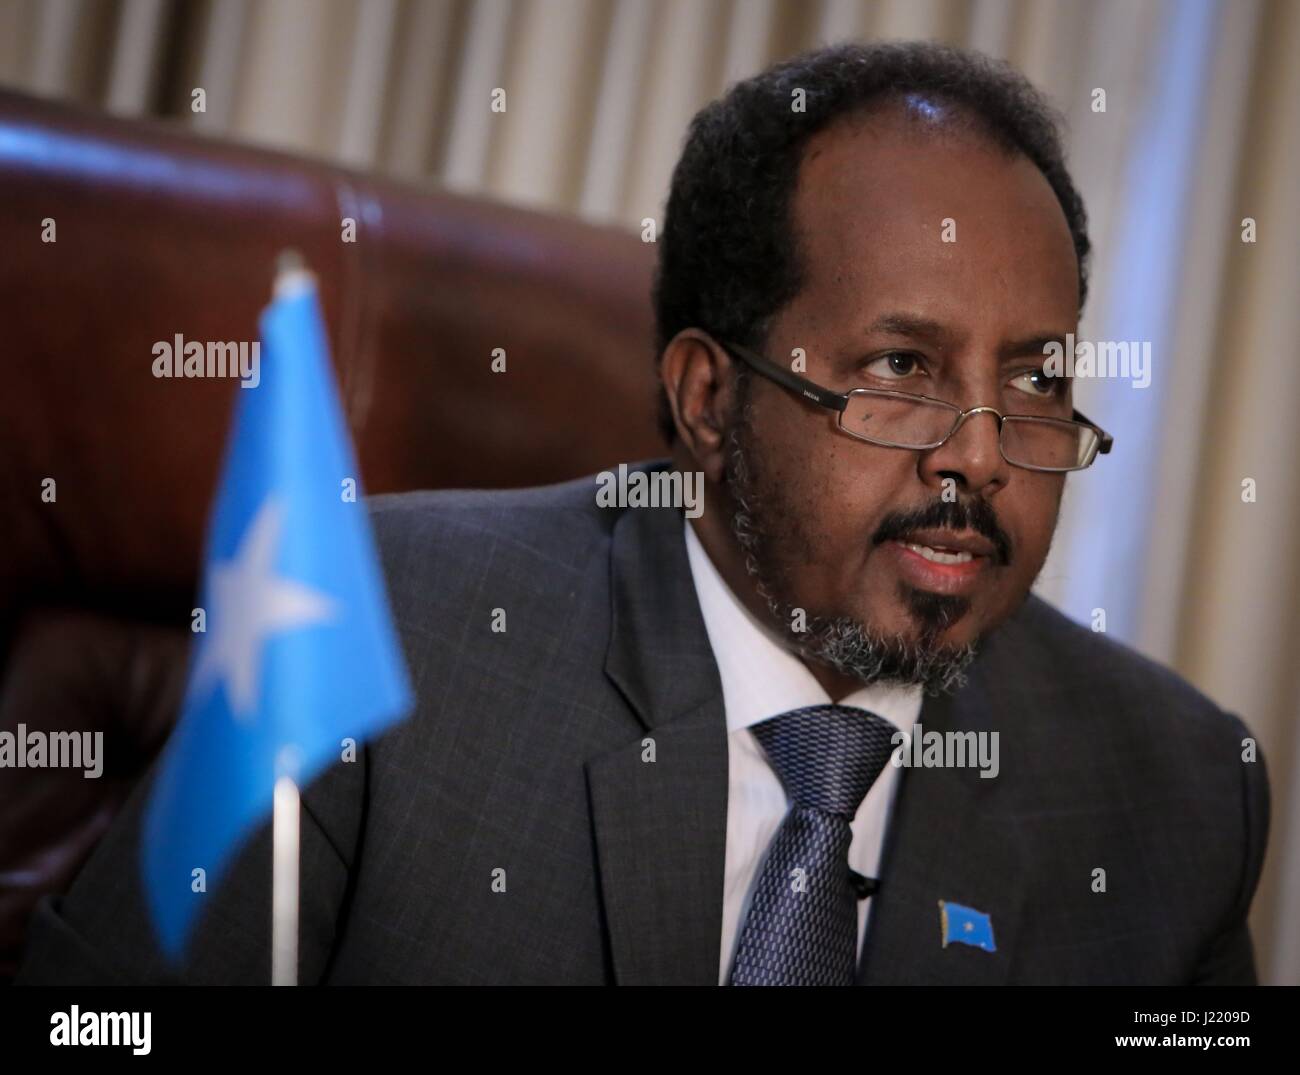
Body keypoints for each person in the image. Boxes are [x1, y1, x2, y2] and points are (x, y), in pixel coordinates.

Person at [17, 40, 1268, 986]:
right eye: (901, 369)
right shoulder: (375, 628)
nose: (983, 457)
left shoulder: (1177, 796)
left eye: (1034, 378)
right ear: (708, 400)